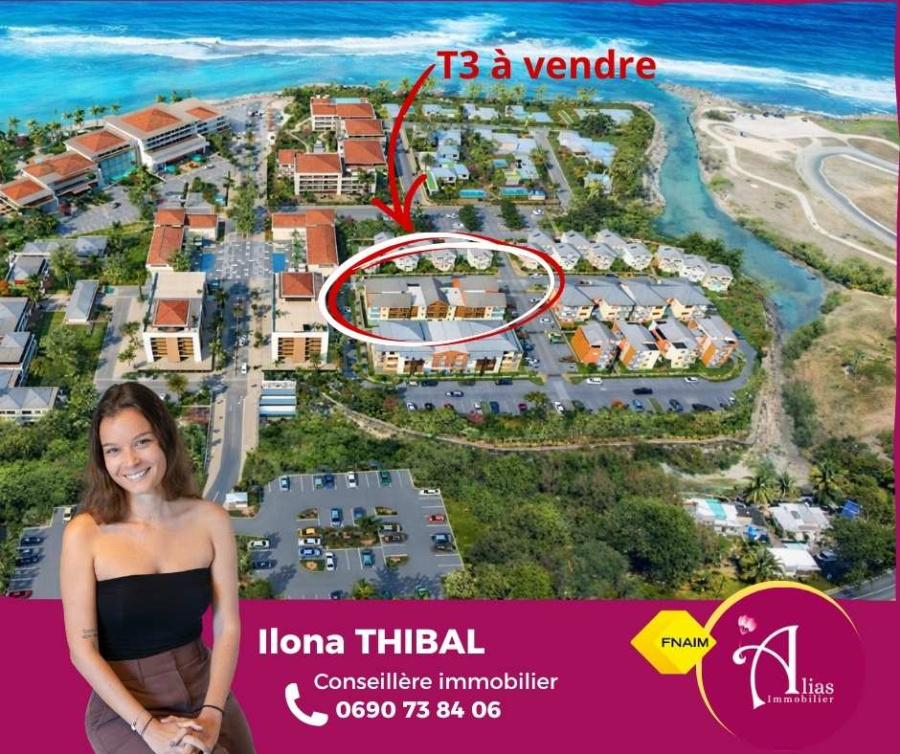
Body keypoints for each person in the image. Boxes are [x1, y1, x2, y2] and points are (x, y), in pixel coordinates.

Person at [61, 382, 256, 754]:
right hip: (126, 705)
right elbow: (82, 649)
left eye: (142, 442)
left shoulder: (211, 520)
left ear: (164, 438)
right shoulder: (85, 534)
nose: (130, 461)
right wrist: (149, 728)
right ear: (102, 459)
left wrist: (213, 713)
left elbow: (227, 624)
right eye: (113, 450)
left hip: (205, 688)